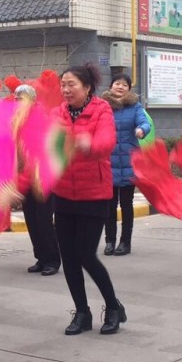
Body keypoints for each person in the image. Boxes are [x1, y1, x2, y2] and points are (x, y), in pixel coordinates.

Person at [51, 64, 125, 336]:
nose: (66, 89)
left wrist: (87, 144)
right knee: (68, 257)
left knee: (85, 254)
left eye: (71, 84)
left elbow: (107, 143)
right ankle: (82, 312)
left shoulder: (101, 109)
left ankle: (113, 306)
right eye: (63, 84)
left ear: (87, 88)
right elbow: (47, 147)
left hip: (94, 193)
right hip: (63, 194)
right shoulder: (56, 113)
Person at [101, 73, 150, 256]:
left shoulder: (135, 106)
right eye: (117, 84)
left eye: (124, 85)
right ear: (111, 86)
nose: (120, 87)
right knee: (109, 206)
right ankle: (110, 241)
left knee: (127, 206)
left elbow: (145, 123)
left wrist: (141, 130)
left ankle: (125, 242)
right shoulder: (103, 106)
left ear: (129, 89)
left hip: (129, 163)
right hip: (108, 163)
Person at [14, 84, 60, 276]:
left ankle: (52, 259)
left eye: (22, 98)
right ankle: (40, 257)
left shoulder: (41, 118)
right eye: (16, 99)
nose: (18, 102)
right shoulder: (16, 120)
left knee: (43, 220)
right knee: (31, 219)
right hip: (23, 176)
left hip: (41, 177)